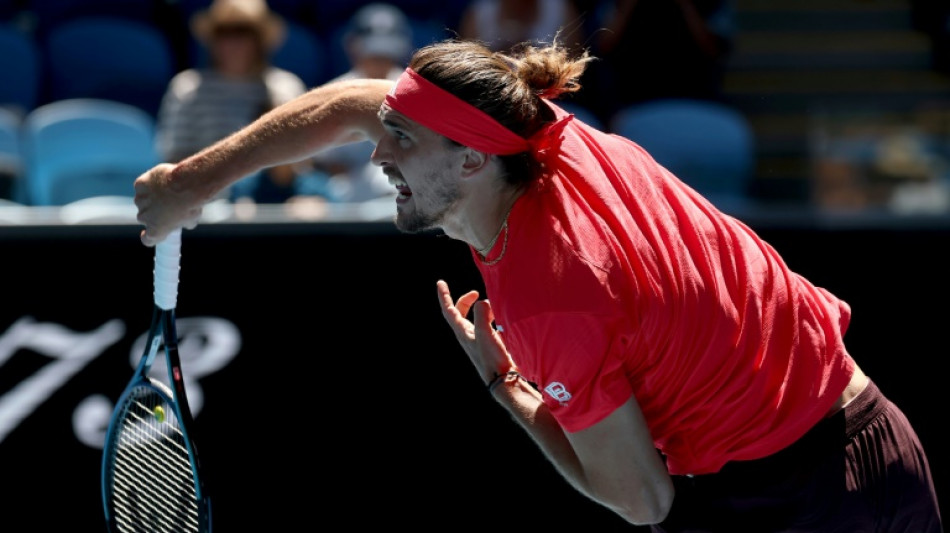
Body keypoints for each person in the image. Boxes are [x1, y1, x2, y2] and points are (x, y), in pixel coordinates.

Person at [132, 38, 943, 532]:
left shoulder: (549, 293)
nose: (379, 156)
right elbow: (351, 104)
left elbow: (641, 501)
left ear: (471, 160)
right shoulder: (549, 132)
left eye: (402, 142)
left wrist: (503, 383)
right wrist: (191, 182)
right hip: (877, 437)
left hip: (788, 508)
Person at [154, 0, 328, 205]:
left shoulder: (285, 87)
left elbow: (301, 163)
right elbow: (173, 161)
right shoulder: (187, 88)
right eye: (223, 32)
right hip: (206, 203)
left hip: (278, 202)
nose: (232, 42)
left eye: (243, 32)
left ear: (259, 40)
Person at [310, 2, 413, 205]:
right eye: (373, 54)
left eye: (385, 55)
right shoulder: (333, 92)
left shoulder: (416, 92)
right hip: (344, 197)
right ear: (352, 47)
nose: (379, 61)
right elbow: (323, 162)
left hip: (405, 191)